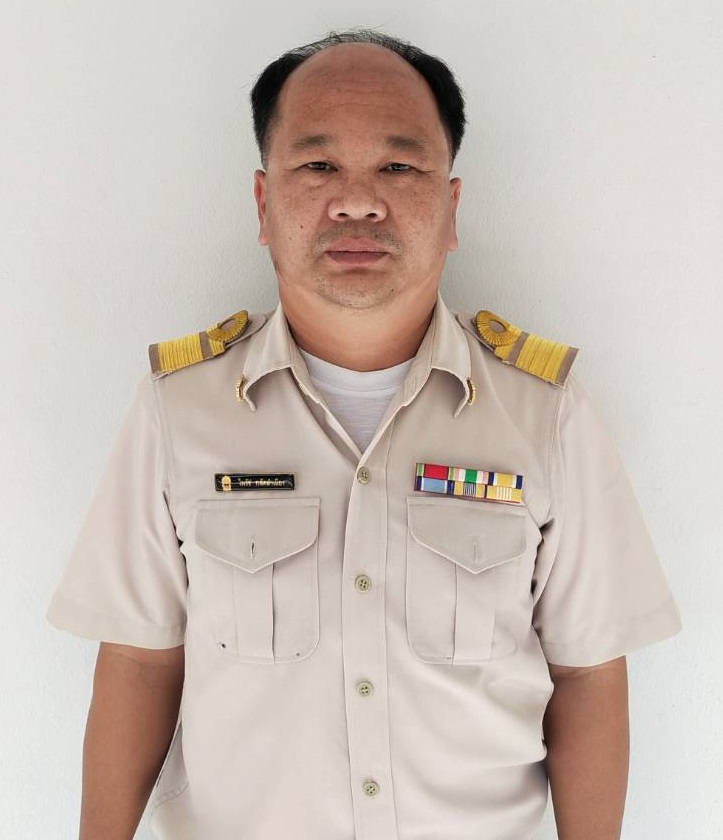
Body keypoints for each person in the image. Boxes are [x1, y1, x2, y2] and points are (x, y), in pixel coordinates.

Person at [48, 30, 681, 840]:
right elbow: (139, 662)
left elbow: (588, 674)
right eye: (317, 165)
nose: (357, 202)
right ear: (263, 203)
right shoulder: (181, 409)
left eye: (398, 167)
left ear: (450, 207)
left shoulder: (543, 414)